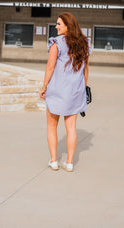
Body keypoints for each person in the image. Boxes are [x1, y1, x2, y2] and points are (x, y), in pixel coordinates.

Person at [40, 12, 91, 172]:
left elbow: (50, 67)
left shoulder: (56, 43)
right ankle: (69, 163)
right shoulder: (84, 43)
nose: (56, 26)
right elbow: (86, 70)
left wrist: (44, 87)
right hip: (75, 92)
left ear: (68, 26)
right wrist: (82, 88)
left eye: (59, 24)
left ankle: (54, 161)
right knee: (71, 128)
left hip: (57, 91)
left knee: (51, 126)